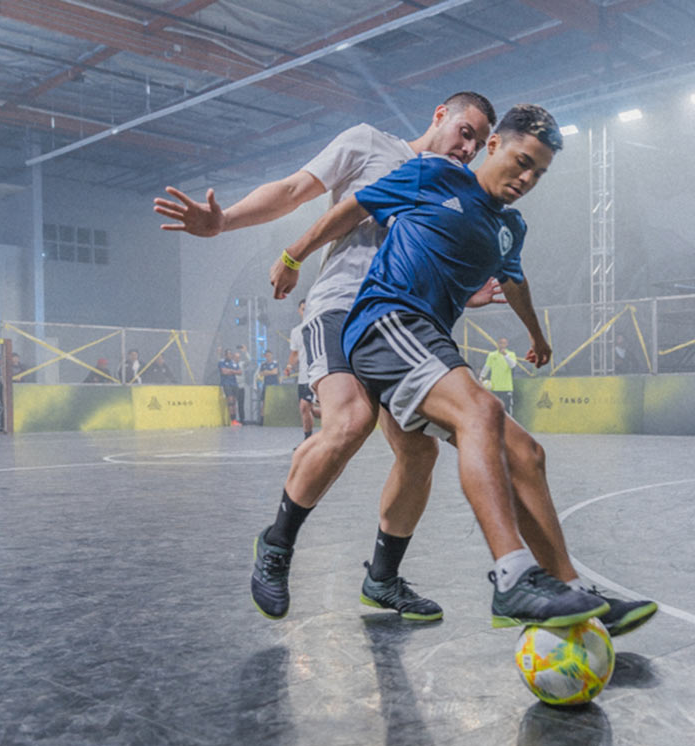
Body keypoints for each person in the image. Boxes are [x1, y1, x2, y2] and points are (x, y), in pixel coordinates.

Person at [254, 103, 657, 634]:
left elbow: (514, 281)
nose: (527, 177)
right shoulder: (433, 174)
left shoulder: (509, 226)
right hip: (384, 321)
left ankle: (570, 585)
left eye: (539, 171)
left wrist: (537, 335)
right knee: (471, 412)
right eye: (521, 160)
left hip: (429, 339)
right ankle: (513, 575)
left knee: (526, 454)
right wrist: (293, 255)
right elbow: (355, 206)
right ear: (493, 147)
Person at [157, 91, 499, 623]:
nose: (470, 147)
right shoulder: (370, 144)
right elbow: (294, 190)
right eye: (466, 131)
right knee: (351, 421)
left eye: (479, 143)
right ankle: (275, 547)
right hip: (341, 307)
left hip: (398, 323)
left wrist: (463, 291)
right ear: (439, 115)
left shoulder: (453, 188)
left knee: (419, 455)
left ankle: (382, 580)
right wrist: (227, 223)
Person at [284, 301, 316, 440]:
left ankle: (313, 440)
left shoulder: (318, 327)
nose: (305, 312)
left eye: (307, 309)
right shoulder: (296, 331)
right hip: (303, 377)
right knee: (306, 409)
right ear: (299, 311)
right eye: (303, 309)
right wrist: (289, 367)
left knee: (307, 407)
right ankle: (308, 440)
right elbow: (295, 353)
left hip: (317, 375)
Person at [479, 336, 520, 415]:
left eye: (504, 343)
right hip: (494, 388)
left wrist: (505, 355)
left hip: (506, 388)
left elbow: (512, 365)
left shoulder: (511, 354)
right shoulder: (492, 355)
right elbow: (486, 367)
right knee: (494, 409)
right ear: (497, 344)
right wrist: (481, 377)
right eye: (500, 343)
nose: (502, 345)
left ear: (507, 344)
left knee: (507, 409)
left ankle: (508, 426)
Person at [218, 348, 242, 426]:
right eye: (228, 354)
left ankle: (234, 419)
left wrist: (230, 371)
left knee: (234, 402)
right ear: (225, 355)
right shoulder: (221, 362)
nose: (229, 355)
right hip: (226, 384)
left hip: (234, 384)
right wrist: (233, 371)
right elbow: (223, 372)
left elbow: (240, 372)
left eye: (230, 354)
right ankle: (231, 420)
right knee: (230, 401)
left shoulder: (234, 363)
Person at [256, 350, 279, 424]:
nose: (268, 357)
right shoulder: (263, 365)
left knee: (274, 402)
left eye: (269, 355)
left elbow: (275, 372)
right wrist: (269, 372)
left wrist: (267, 372)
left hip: (274, 385)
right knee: (264, 402)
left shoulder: (275, 363)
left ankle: (274, 418)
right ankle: (262, 420)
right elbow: (261, 373)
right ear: (265, 356)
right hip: (266, 385)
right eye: (267, 355)